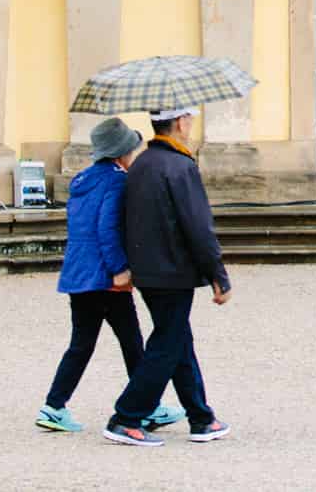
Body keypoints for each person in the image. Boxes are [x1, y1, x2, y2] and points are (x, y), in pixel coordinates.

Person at [35, 116, 183, 435]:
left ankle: (54, 405)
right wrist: (119, 269)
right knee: (132, 342)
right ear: (121, 153)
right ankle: (147, 406)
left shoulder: (83, 179)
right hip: (105, 277)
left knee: (82, 344)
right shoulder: (117, 180)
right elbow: (107, 228)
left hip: (80, 275)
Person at [105, 106, 233, 449]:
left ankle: (201, 416)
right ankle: (127, 416)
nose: (191, 125)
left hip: (148, 270)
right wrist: (217, 273)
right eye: (190, 119)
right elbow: (198, 226)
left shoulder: (142, 163)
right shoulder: (179, 165)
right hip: (173, 270)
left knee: (177, 338)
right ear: (180, 122)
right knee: (167, 342)